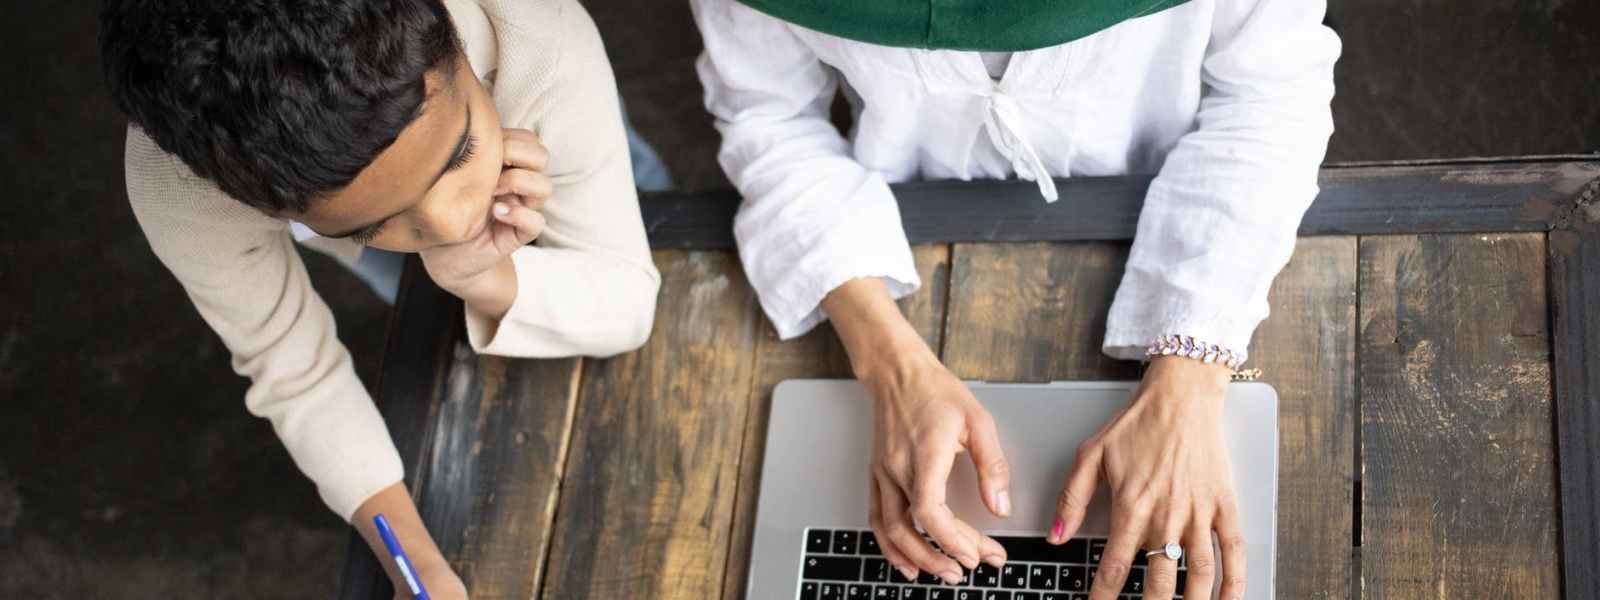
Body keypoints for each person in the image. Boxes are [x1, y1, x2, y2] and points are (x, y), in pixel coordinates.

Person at [690, 0, 1339, 598]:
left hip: (1183, 202)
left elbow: (1270, 96)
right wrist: (892, 369)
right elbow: (766, 116)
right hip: (901, 217)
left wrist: (1190, 380)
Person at [100, 0, 662, 595]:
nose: (453, 222)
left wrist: (485, 277)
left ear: (455, 45)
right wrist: (420, 573)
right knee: (421, 296)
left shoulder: (536, 34)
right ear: (265, 206)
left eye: (460, 152)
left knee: (645, 202)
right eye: (370, 225)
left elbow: (629, 303)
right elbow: (295, 375)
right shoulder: (182, 192)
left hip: (551, 106)